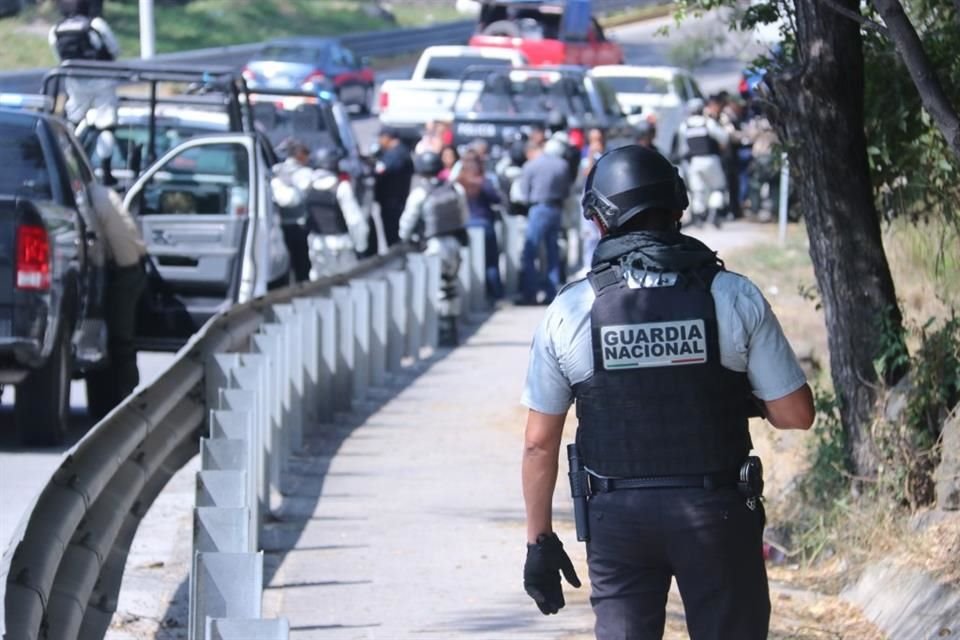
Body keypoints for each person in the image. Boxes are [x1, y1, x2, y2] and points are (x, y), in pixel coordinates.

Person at [519, 144, 815, 639]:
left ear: (598, 221)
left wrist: (539, 542)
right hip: (716, 513)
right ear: (679, 210)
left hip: (617, 520)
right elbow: (795, 413)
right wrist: (731, 394)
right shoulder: (732, 295)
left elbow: (537, 442)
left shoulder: (570, 310)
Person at [85, 183, 148, 421]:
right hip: (130, 267)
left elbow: (93, 246)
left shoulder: (90, 200)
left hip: (125, 272)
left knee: (120, 342)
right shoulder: (101, 193)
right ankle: (118, 401)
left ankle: (127, 400)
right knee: (115, 342)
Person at [398, 151, 469, 346]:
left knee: (435, 290)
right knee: (451, 287)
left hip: (433, 246)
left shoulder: (420, 194)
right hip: (453, 243)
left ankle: (437, 332)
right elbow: (464, 217)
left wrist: (404, 240)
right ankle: (451, 328)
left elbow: (407, 222)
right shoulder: (455, 189)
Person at [49, 0, 121, 184]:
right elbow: (114, 49)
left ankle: (67, 164)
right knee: (106, 125)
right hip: (102, 79)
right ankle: (106, 171)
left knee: (72, 122)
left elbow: (60, 58)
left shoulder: (56, 29)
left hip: (75, 82)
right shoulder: (95, 25)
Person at [515, 140, 570, 305]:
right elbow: (566, 190)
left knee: (530, 252)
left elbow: (524, 193)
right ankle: (551, 292)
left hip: (538, 208)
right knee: (553, 252)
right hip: (556, 209)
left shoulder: (530, 166)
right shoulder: (562, 164)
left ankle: (530, 293)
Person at [304, 146, 370, 277]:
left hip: (317, 245)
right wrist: (361, 247)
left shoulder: (307, 186)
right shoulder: (341, 187)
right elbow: (355, 221)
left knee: (320, 287)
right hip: (341, 246)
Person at [676, 98, 729, 228]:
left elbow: (683, 148)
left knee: (697, 190)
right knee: (717, 187)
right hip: (711, 159)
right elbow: (724, 137)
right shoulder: (708, 123)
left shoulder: (684, 126)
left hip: (694, 162)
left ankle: (699, 217)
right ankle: (714, 213)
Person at [458, 153, 504, 301]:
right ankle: (494, 294)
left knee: (469, 263)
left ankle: (473, 296)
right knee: (491, 261)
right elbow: (496, 198)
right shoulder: (483, 182)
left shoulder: (458, 182)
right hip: (484, 223)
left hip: (466, 225)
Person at [271, 140, 314, 282]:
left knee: (287, 263)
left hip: (281, 224)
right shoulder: (305, 173)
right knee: (303, 263)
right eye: (306, 155)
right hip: (301, 225)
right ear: (300, 155)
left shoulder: (276, 170)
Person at [373, 125, 415, 252]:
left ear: (388, 138)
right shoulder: (398, 152)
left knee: (394, 241)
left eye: (381, 138)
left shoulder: (396, 154)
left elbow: (381, 171)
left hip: (393, 203)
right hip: (394, 202)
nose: (379, 141)